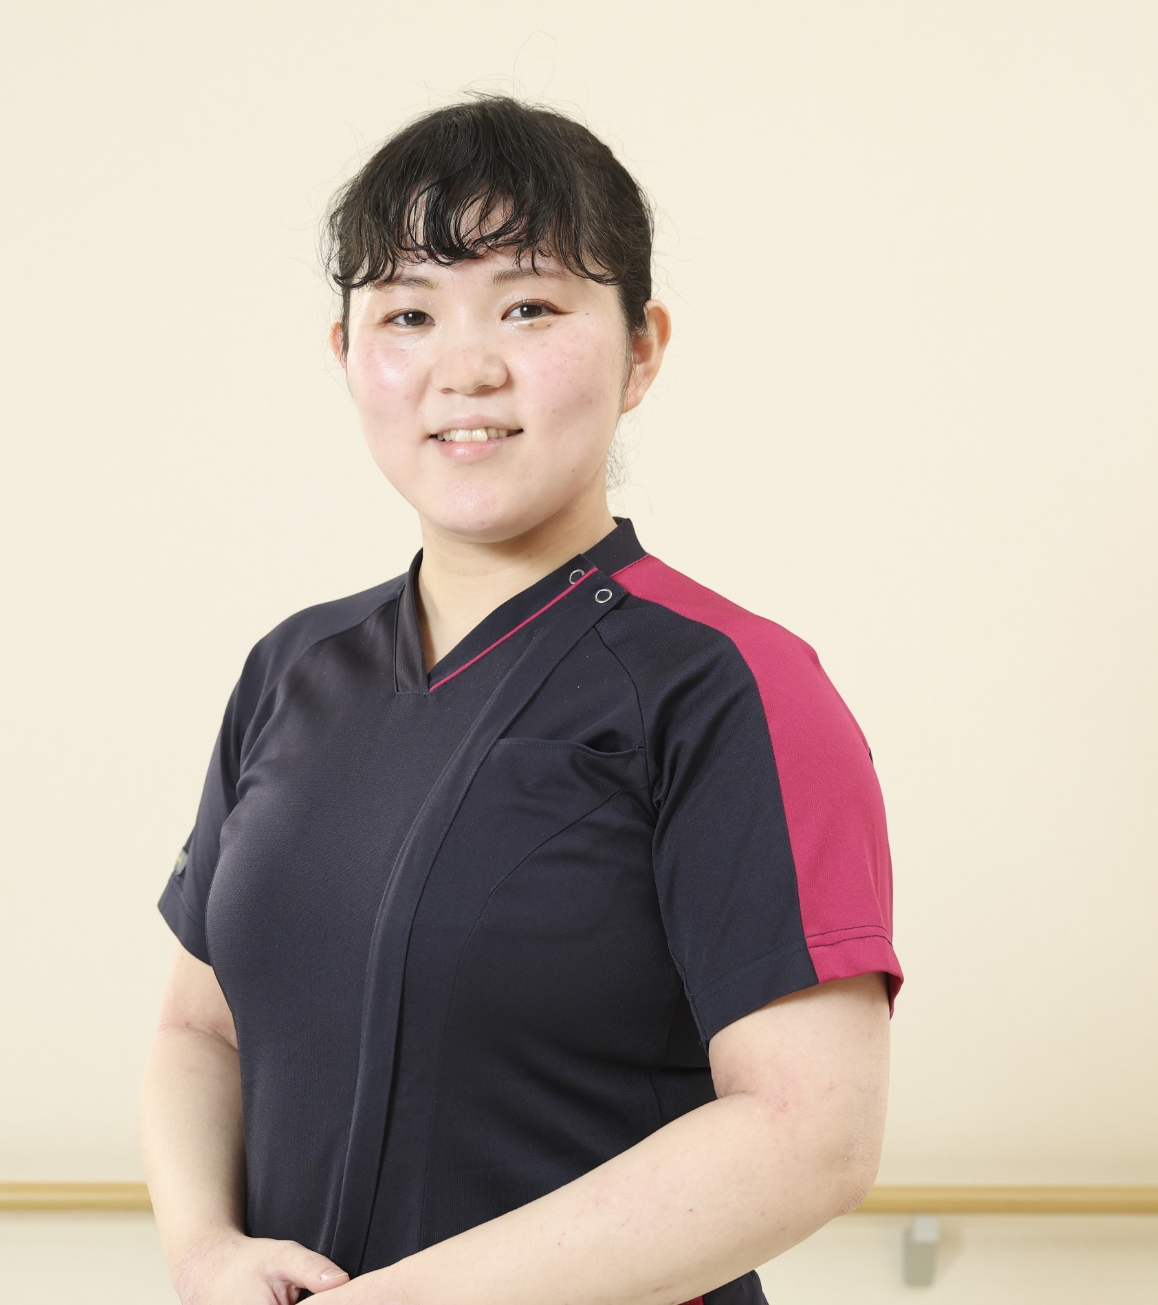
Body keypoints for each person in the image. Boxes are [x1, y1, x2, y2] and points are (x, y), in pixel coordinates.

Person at [140, 95, 901, 1305]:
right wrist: (206, 1252)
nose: (467, 369)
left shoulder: (730, 688)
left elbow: (810, 1134)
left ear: (642, 348)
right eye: (407, 314)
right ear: (346, 355)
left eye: (530, 306)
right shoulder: (292, 672)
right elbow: (203, 1030)